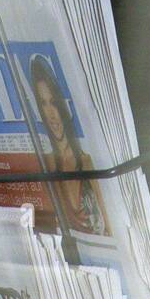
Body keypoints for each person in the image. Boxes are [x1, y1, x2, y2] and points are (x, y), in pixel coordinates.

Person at [29, 55, 108, 236]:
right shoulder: (46, 164)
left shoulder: (88, 163)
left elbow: (110, 228)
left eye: (54, 103)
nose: (51, 114)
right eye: (43, 104)